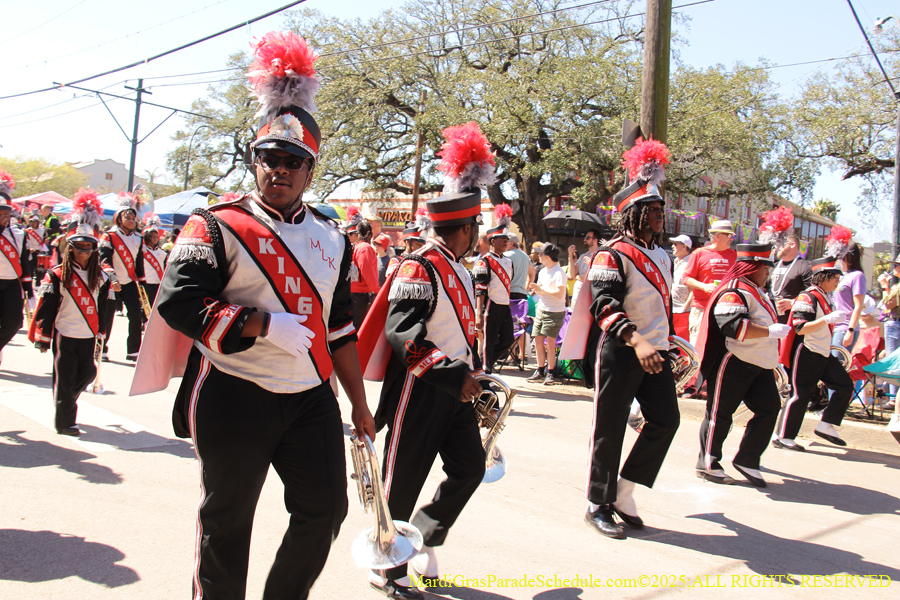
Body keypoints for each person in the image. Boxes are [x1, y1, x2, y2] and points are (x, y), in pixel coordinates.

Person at [144, 31, 375, 600]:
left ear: (310, 170)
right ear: (255, 163)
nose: (280, 170)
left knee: (324, 511)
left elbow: (340, 325)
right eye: (269, 159)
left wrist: (360, 403)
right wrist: (263, 323)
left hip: (310, 397)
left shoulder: (334, 239)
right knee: (228, 523)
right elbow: (178, 300)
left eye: (293, 161)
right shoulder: (215, 224)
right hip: (235, 389)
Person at [357, 121, 490, 600]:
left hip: (455, 389)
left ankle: (423, 537)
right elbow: (403, 334)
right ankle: (385, 563)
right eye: (476, 227)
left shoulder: (457, 266)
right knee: (404, 478)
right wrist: (453, 373)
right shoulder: (419, 264)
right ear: (465, 227)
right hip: (423, 386)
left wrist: (473, 373)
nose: (479, 234)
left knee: (469, 469)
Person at [564, 138, 680, 539]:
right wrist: (638, 341)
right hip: (621, 348)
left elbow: (662, 307)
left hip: (656, 350)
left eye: (662, 210)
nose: (661, 216)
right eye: (653, 210)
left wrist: (668, 343)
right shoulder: (610, 254)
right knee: (610, 426)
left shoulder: (664, 256)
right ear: (634, 213)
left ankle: (624, 492)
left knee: (666, 420)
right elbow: (605, 307)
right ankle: (597, 503)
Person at [694, 243, 790, 487]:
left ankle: (747, 458)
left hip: (759, 364)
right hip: (734, 360)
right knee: (720, 414)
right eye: (765, 269)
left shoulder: (756, 290)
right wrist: (770, 331)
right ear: (752, 267)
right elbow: (734, 327)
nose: (768, 274)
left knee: (770, 409)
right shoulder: (734, 290)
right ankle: (708, 463)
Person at [28, 189, 110, 436]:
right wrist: (43, 336)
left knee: (87, 373)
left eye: (89, 247)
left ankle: (64, 402)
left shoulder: (102, 277)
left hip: (87, 335)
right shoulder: (56, 275)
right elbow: (46, 307)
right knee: (64, 378)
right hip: (65, 332)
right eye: (80, 247)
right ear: (71, 248)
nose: (84, 251)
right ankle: (65, 421)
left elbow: (104, 306)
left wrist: (103, 331)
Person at [774, 256, 853, 450]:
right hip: (806, 351)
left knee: (845, 385)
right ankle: (783, 436)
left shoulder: (823, 296)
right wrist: (827, 319)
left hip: (822, 352)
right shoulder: (807, 296)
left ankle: (826, 424)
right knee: (800, 394)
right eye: (834, 277)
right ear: (823, 277)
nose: (837, 281)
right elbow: (801, 328)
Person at [99, 192, 145, 361]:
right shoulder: (109, 236)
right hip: (111, 282)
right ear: (119, 219)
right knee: (107, 315)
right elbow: (104, 260)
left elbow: (139, 263)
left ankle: (133, 350)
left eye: (133, 218)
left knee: (135, 314)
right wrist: (113, 279)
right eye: (128, 217)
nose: (132, 220)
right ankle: (102, 348)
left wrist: (142, 283)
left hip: (129, 282)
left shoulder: (139, 238)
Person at [682, 220, 737, 347]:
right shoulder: (699, 253)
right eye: (728, 235)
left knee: (720, 348)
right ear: (717, 236)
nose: (732, 239)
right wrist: (704, 286)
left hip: (725, 309)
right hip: (701, 308)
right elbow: (686, 278)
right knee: (697, 347)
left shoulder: (733, 254)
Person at [473, 209, 514, 374]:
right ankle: (486, 372)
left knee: (508, 339)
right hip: (491, 305)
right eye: (502, 239)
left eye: (506, 239)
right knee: (488, 342)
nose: (505, 242)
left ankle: (483, 363)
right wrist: (478, 314)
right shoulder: (485, 261)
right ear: (492, 241)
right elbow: (480, 290)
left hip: (504, 305)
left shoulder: (509, 261)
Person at [527, 243, 566, 385]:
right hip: (542, 309)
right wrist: (537, 289)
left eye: (541, 253)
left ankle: (550, 373)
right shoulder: (543, 271)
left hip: (554, 311)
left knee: (550, 343)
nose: (539, 255)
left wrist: (541, 290)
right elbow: (541, 289)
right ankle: (540, 370)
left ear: (548, 256)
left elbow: (560, 293)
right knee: (538, 341)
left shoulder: (559, 272)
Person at [0, 170, 27, 364]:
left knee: (15, 322)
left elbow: (24, 261)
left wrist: (28, 289)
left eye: (6, 212)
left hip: (11, 284)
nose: (3, 216)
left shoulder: (18, 234)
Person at [504, 233, 534, 369]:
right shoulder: (524, 255)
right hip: (522, 293)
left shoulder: (507, 256)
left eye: (505, 242)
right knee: (519, 324)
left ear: (511, 243)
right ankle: (522, 355)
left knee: (509, 325)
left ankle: (511, 355)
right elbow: (532, 272)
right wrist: (528, 286)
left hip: (510, 293)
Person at [770, 234, 813, 324]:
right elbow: (763, 287)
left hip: (792, 323)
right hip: (771, 322)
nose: (778, 247)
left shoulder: (805, 266)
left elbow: (812, 295)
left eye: (782, 243)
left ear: (792, 244)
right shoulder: (773, 266)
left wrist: (793, 303)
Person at [348, 217, 379, 330]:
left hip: (353, 293)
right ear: (370, 233)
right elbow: (367, 272)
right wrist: (376, 291)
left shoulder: (356, 247)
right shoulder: (365, 248)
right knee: (360, 329)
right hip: (360, 295)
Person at [567, 228, 601, 307]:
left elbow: (588, 277)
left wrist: (576, 277)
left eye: (587, 237)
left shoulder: (600, 256)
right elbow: (572, 274)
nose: (584, 239)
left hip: (589, 296)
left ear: (595, 240)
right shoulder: (583, 256)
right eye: (585, 237)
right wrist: (571, 255)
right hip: (577, 295)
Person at [141, 218, 166, 307]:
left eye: (156, 237)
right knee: (148, 304)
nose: (155, 239)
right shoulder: (142, 251)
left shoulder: (162, 253)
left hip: (158, 282)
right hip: (147, 282)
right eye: (152, 237)